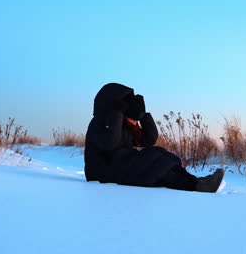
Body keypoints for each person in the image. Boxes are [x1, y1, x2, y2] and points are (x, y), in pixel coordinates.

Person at [84, 82, 224, 192]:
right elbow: (110, 143)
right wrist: (117, 113)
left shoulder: (123, 125)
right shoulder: (99, 122)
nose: (134, 121)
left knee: (159, 155)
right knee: (154, 170)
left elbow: (149, 141)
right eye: (131, 116)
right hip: (102, 171)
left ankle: (197, 181)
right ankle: (197, 186)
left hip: (120, 163)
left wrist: (143, 116)